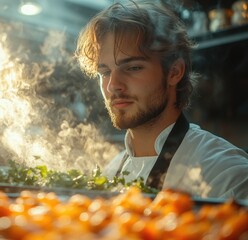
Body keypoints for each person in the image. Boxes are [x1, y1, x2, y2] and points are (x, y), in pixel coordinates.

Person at [75, 0, 248, 199]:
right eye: (104, 72)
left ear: (174, 72)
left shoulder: (226, 174)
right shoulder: (110, 172)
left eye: (133, 68)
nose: (113, 85)